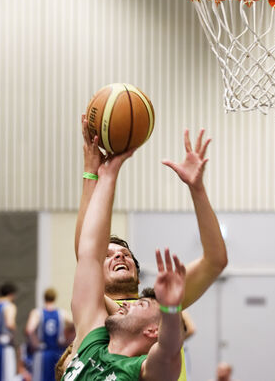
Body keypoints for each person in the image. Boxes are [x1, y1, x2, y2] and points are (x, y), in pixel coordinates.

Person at [56, 118, 228, 379]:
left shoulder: (161, 306)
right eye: (110, 255)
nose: (120, 255)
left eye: (125, 253)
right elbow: (87, 251)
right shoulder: (97, 318)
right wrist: (94, 174)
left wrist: (198, 190)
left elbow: (214, 260)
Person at [61, 147, 187, 380]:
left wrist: (171, 308)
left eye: (140, 305)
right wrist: (108, 175)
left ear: (153, 330)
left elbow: (169, 352)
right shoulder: (91, 342)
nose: (127, 305)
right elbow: (88, 253)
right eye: (108, 255)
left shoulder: (143, 371)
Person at [25, 288, 73, 381]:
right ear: (55, 298)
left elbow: (29, 329)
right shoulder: (62, 313)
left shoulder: (37, 313)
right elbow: (74, 326)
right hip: (58, 352)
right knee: (57, 378)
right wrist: (66, 342)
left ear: (44, 298)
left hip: (43, 352)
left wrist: (35, 344)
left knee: (41, 378)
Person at [0, 282, 18, 381]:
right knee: (6, 377)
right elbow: (9, 323)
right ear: (11, 294)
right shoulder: (9, 306)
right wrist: (14, 332)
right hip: (4, 346)